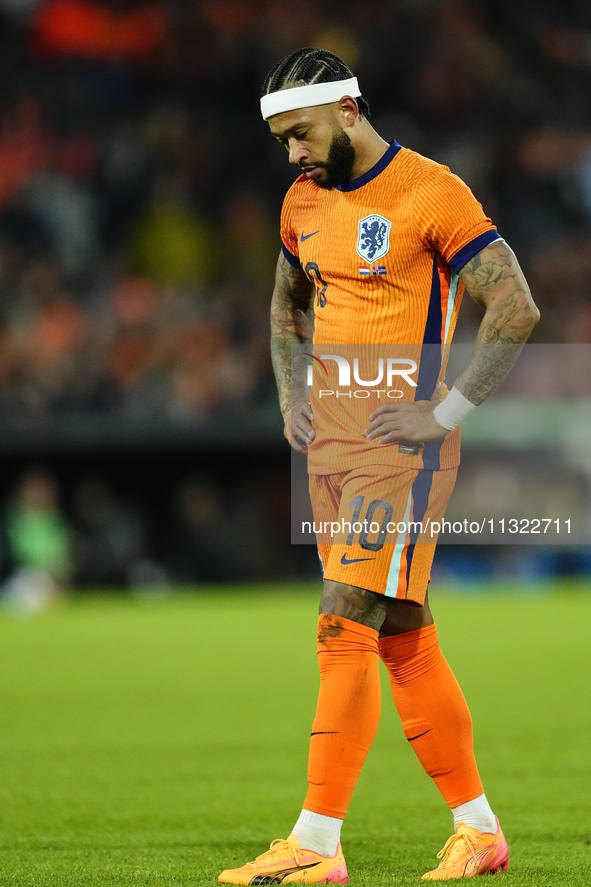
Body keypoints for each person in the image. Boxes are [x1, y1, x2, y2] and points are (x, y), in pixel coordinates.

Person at [218, 48, 540, 883]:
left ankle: (315, 844)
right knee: (401, 633)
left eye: (300, 133)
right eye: (281, 139)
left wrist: (442, 414)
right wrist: (293, 390)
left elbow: (514, 305)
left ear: (349, 110)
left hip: (401, 449)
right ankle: (478, 831)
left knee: (341, 622)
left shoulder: (432, 192)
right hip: (334, 442)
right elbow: (286, 303)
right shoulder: (303, 201)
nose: (291, 153)